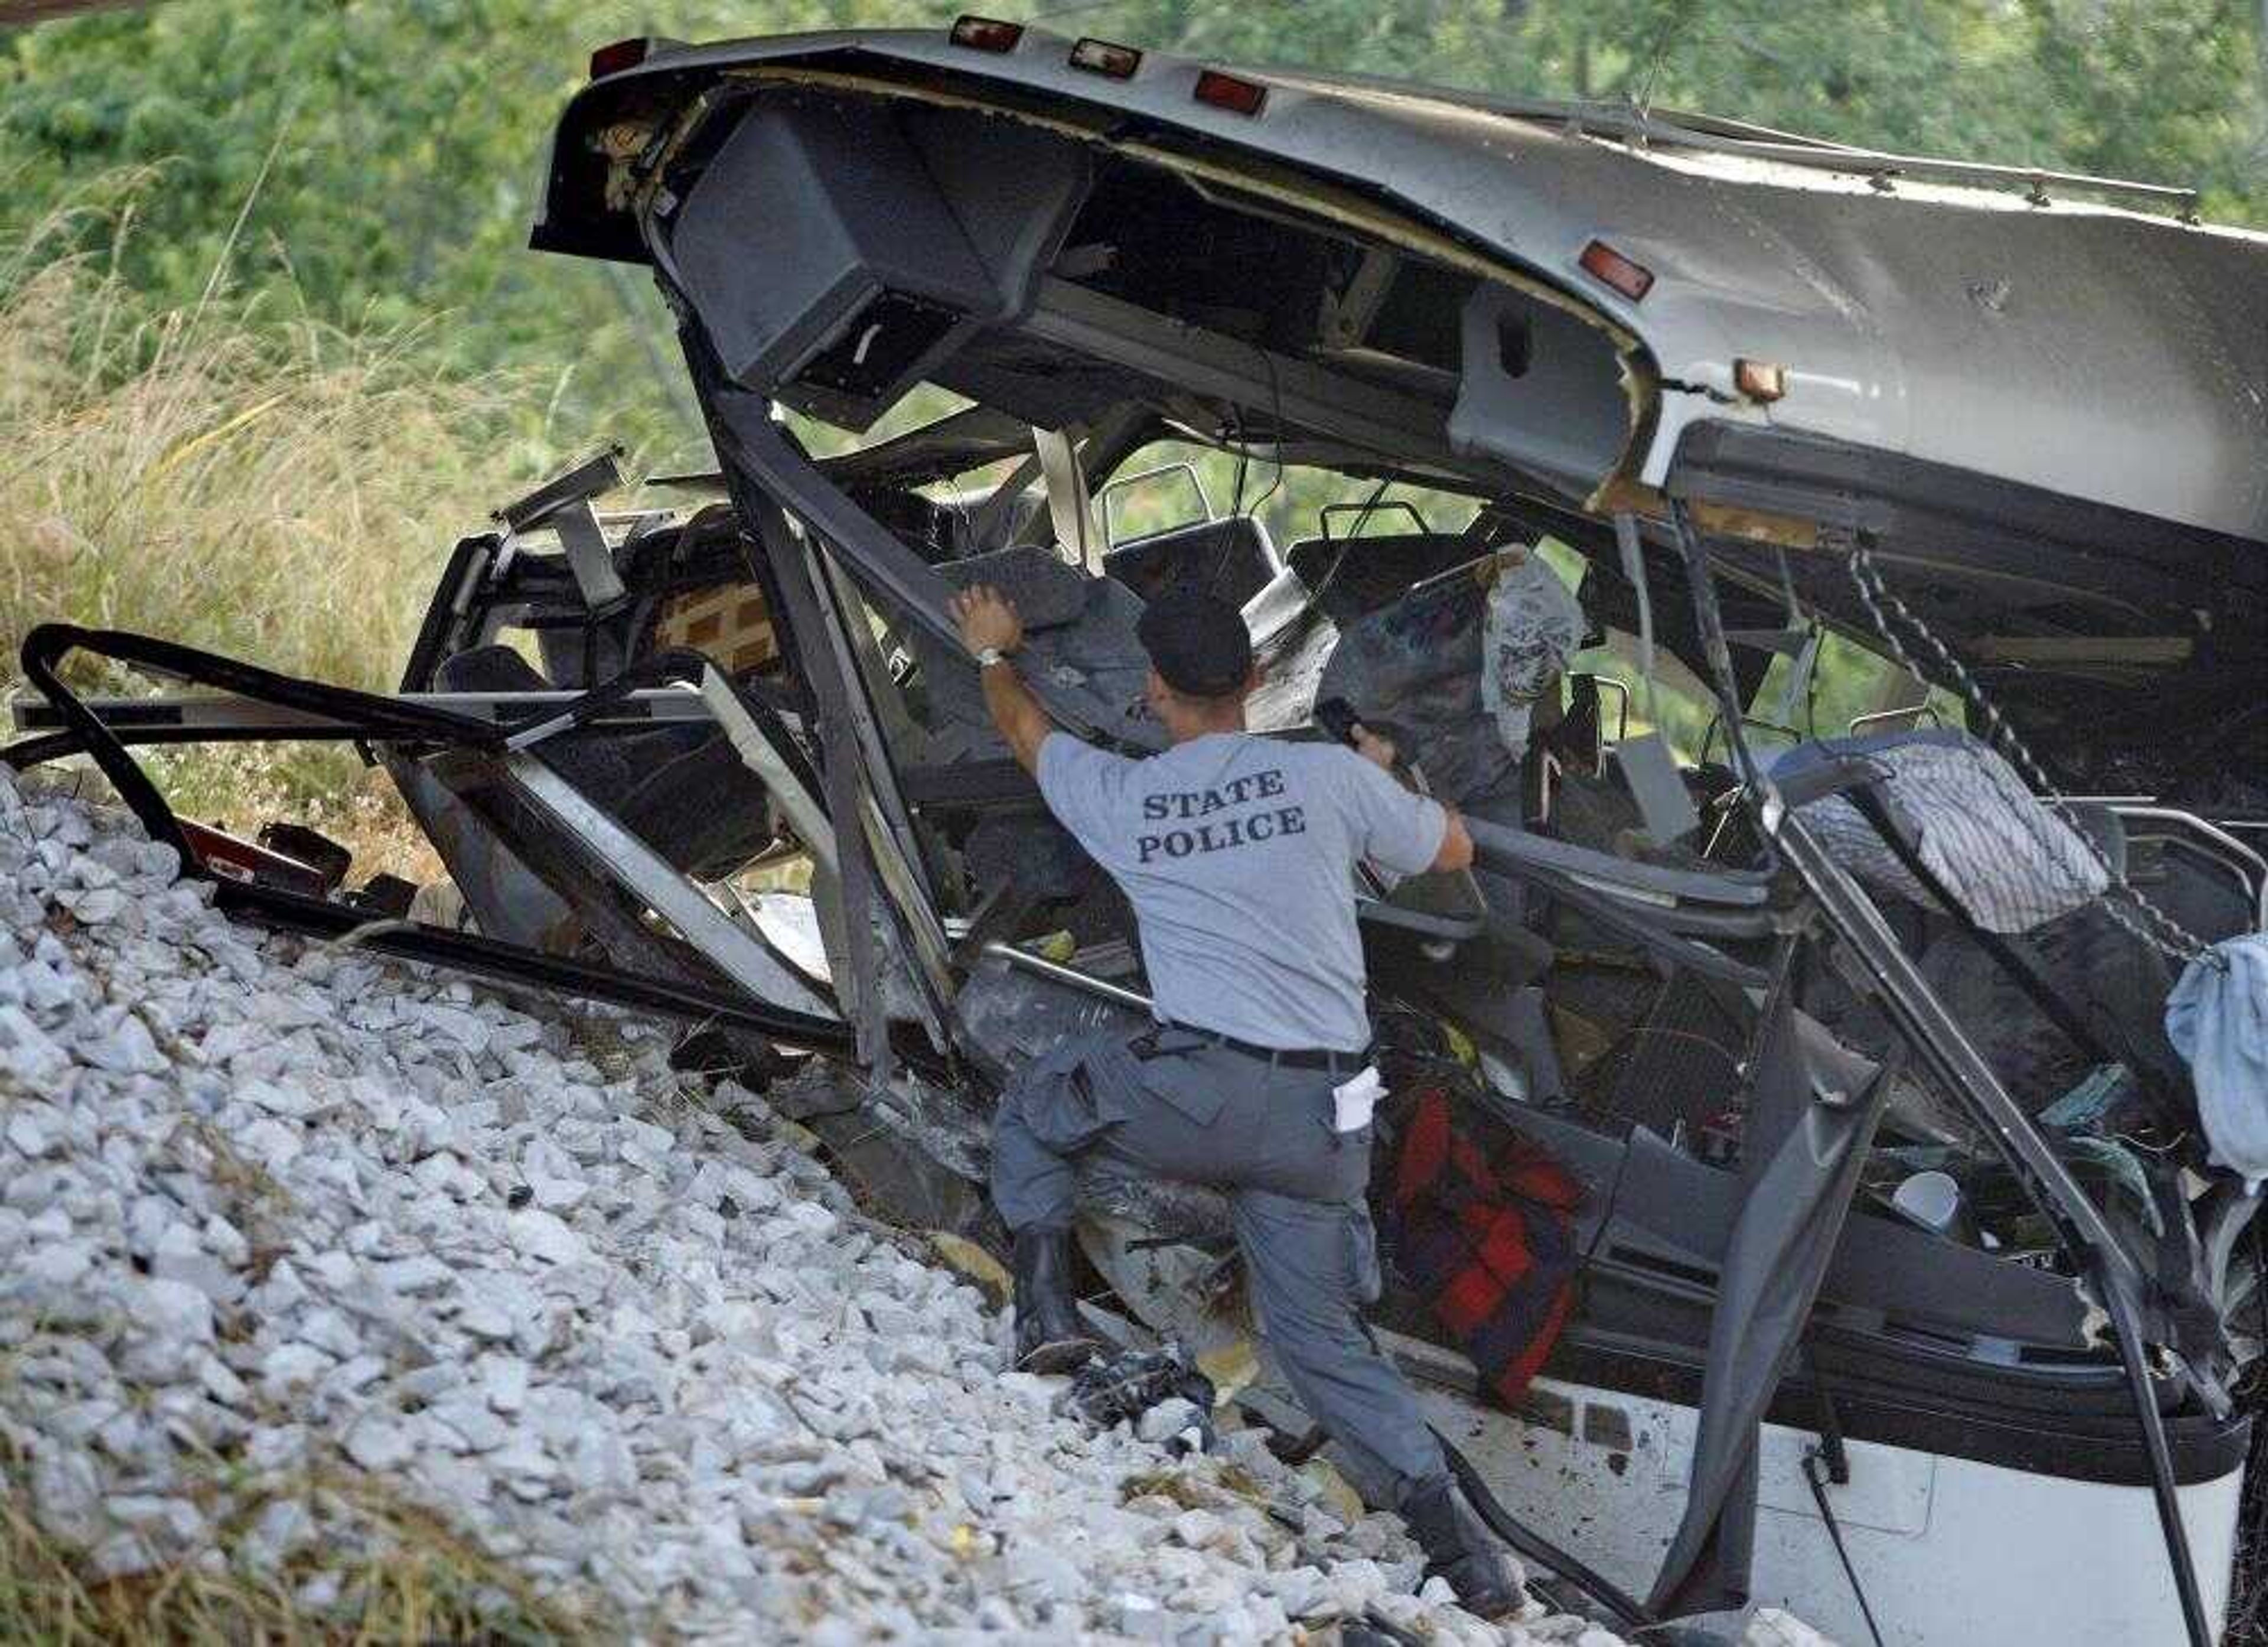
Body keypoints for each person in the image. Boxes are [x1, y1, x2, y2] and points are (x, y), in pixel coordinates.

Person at [948, 580, 1518, 1617]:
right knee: (1319, 1341)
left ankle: (1042, 1312)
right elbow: (1451, 851)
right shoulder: (1326, 782)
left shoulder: (1127, 797)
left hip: (1199, 1099)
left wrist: (995, 654)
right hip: (1326, 1123)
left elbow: (1029, 735)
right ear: (1257, 679)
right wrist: (1379, 780)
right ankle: (1466, 1555)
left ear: (1155, 688)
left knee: (1043, 1099)